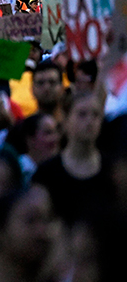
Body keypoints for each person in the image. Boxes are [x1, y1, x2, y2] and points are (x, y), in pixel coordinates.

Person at [33, 91, 113, 225]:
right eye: (82, 114)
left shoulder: (113, 171)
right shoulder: (47, 173)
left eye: (96, 115)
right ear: (65, 120)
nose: (90, 121)